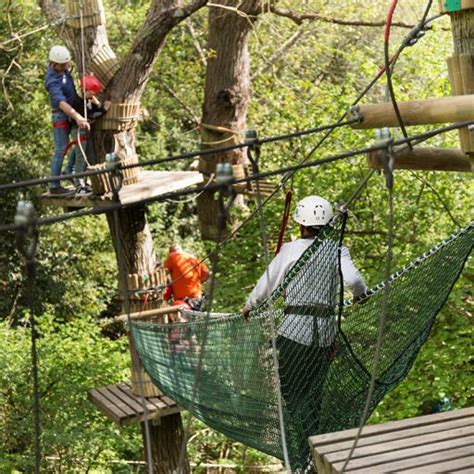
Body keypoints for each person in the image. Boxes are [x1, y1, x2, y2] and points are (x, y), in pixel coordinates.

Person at [241, 195, 368, 471]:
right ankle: (312, 453)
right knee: (313, 396)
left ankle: (303, 457)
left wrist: (249, 305)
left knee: (295, 398)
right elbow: (356, 281)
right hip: (323, 337)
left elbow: (268, 283)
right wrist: (360, 295)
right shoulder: (337, 249)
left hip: (292, 334)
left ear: (301, 223)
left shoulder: (289, 250)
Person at [45, 45, 90, 194]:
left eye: (67, 63)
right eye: (63, 65)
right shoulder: (52, 80)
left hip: (72, 111)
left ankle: (69, 170)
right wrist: (77, 116)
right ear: (54, 63)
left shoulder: (64, 71)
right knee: (61, 149)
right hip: (61, 115)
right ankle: (54, 186)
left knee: (80, 142)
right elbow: (61, 102)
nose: (67, 66)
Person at [69, 75, 110, 194]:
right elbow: (92, 116)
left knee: (91, 157)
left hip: (86, 132)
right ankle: (78, 186)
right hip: (78, 131)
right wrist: (104, 109)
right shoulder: (78, 102)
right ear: (84, 90)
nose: (93, 96)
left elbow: (94, 111)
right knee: (81, 158)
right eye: (91, 93)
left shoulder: (87, 101)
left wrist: (97, 104)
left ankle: (84, 182)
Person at [164, 243, 210, 310]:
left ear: (171, 252)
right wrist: (195, 282)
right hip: (197, 299)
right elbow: (207, 274)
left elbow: (163, 272)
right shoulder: (193, 258)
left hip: (183, 302)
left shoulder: (172, 256)